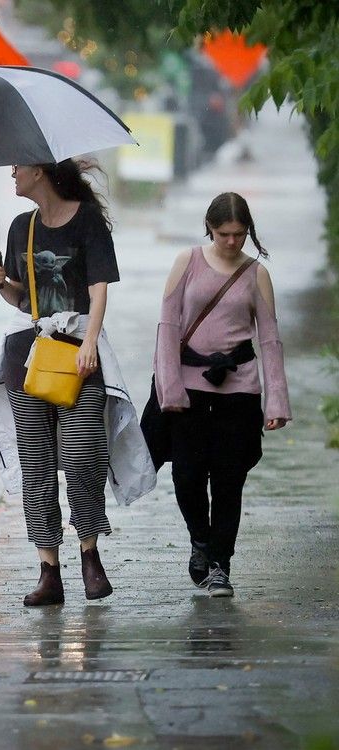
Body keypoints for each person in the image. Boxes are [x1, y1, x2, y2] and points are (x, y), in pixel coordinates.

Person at [0, 159, 156, 607]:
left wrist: (90, 342)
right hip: (27, 357)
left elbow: (99, 288)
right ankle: (48, 568)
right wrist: (1, 285)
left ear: (41, 172)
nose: (11, 174)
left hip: (78, 354)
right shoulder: (20, 227)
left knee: (82, 455)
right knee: (35, 466)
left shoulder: (87, 220)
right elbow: (23, 298)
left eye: (19, 167)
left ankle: (90, 555)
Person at [154, 192, 290, 597]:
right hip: (190, 391)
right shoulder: (187, 262)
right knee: (187, 477)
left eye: (241, 234)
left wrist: (277, 401)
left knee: (229, 481)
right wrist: (170, 387)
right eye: (225, 233)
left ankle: (219, 565)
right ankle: (200, 538)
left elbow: (269, 340)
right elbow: (167, 328)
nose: (233, 242)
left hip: (239, 392)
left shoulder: (256, 273)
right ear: (209, 227)